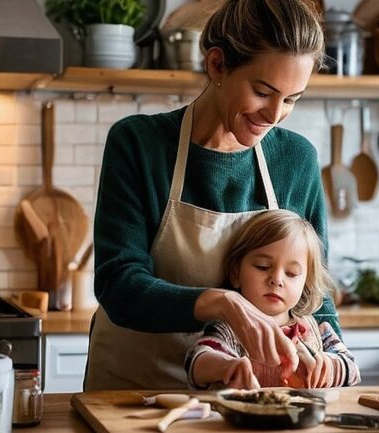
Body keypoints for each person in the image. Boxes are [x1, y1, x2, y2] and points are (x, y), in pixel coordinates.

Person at [84, 0, 341, 390]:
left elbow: (315, 296)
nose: (274, 115)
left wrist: (330, 361)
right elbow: (119, 285)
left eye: (290, 99)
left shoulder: (295, 160)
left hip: (240, 402)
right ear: (217, 65)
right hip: (133, 394)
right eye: (262, 91)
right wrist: (224, 303)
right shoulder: (138, 144)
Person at [185, 210, 361, 389]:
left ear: (305, 284)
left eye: (291, 273)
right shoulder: (230, 330)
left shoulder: (318, 331)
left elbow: (353, 370)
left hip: (307, 417)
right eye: (263, 267)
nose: (277, 279)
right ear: (235, 274)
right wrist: (226, 367)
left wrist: (329, 367)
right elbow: (197, 360)